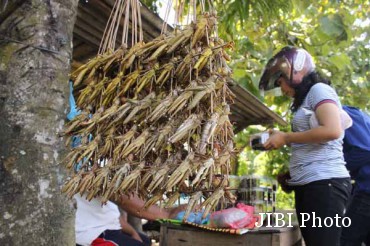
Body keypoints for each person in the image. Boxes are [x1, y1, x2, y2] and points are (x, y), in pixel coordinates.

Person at [67, 82, 184, 246]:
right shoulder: (77, 144)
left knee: (144, 241)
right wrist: (166, 213)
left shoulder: (98, 147)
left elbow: (107, 208)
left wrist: (131, 230)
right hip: (92, 235)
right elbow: (118, 194)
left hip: (109, 229)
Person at [259, 46, 351, 246]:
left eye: (281, 81)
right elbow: (312, 145)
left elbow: (332, 130)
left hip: (326, 186)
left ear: (295, 70)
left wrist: (286, 137)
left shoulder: (319, 90)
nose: (282, 88)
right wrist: (293, 173)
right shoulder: (305, 100)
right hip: (311, 186)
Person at [340, 105, 370, 246]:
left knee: (346, 240)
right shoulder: (359, 115)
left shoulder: (344, 114)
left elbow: (364, 150)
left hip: (367, 191)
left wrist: (336, 168)